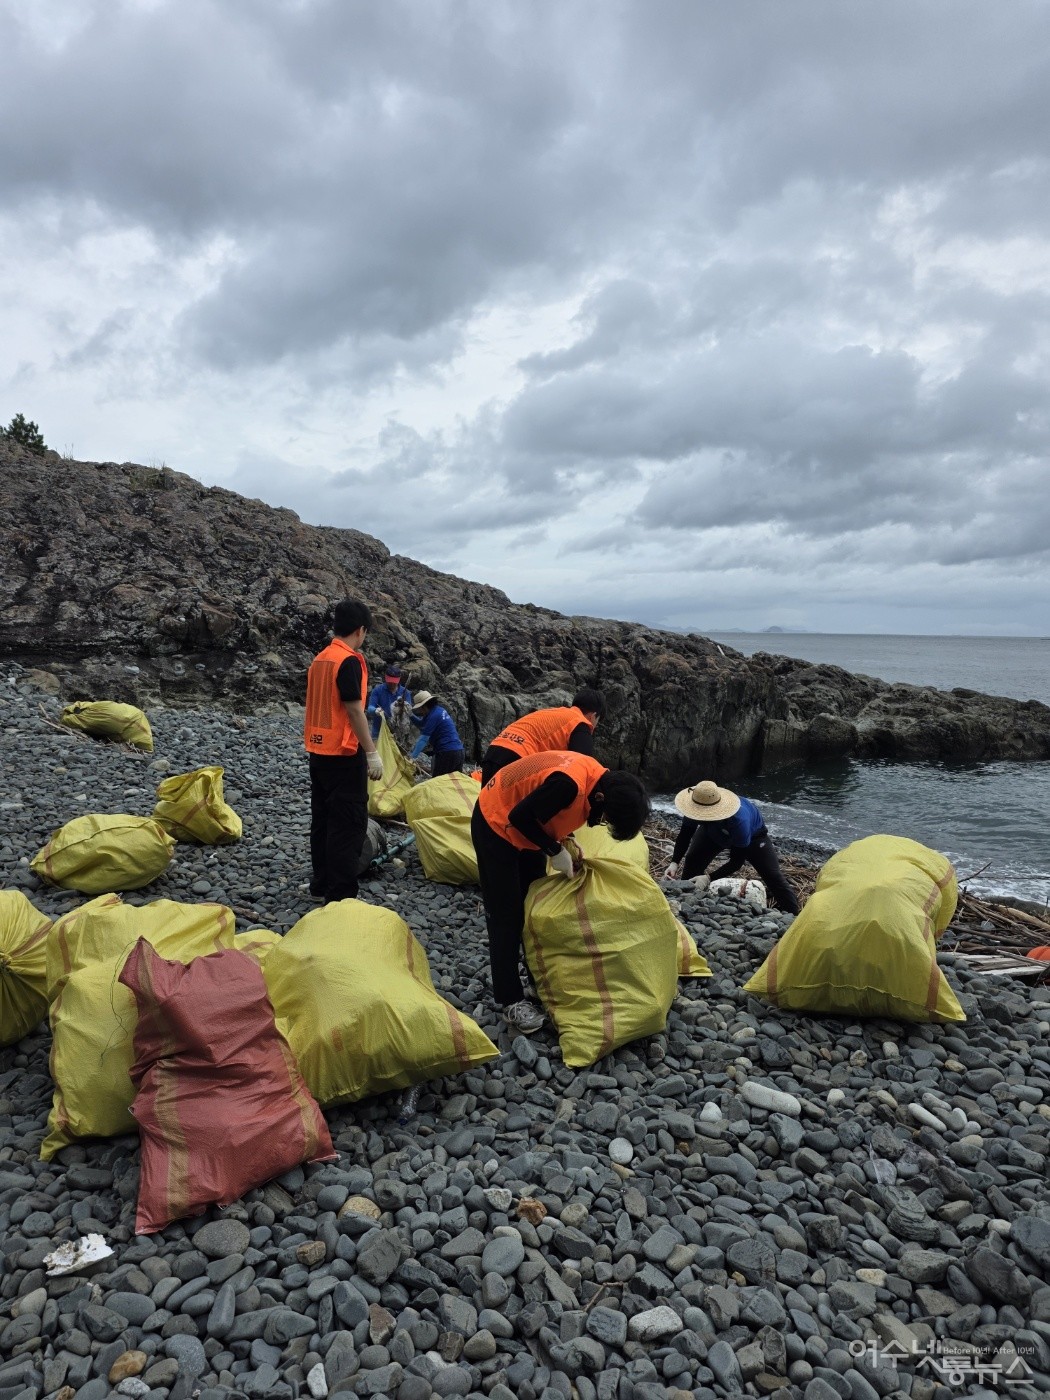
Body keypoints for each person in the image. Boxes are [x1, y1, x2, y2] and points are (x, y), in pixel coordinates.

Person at [471, 751, 650, 1033]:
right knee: (506, 917)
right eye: (604, 818)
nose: (599, 821)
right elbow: (520, 816)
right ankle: (510, 1001)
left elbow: (543, 807)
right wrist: (554, 850)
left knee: (533, 906)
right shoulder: (569, 785)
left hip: (523, 824)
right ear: (601, 798)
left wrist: (563, 839)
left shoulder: (597, 777)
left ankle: (535, 983)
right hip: (495, 822)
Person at [303, 598, 384, 903]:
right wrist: (372, 752)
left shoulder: (321, 658)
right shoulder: (348, 660)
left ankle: (321, 884)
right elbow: (353, 709)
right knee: (348, 825)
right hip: (344, 754)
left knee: (323, 821)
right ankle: (340, 895)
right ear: (361, 630)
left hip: (318, 751)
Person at [665, 779, 799, 914]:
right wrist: (674, 863)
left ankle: (794, 916)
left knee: (773, 876)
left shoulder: (739, 821)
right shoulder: (696, 806)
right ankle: (684, 902)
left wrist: (708, 878)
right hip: (712, 831)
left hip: (754, 837)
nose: (699, 817)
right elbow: (685, 835)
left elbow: (736, 862)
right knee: (693, 859)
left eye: (704, 815)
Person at [480, 688, 605, 784]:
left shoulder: (552, 712)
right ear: (593, 715)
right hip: (518, 758)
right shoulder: (580, 723)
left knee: (488, 807)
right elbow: (583, 765)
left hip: (494, 750)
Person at [409, 691, 465, 776]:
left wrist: (412, 757)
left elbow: (423, 739)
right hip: (459, 752)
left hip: (446, 753)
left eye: (419, 709)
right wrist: (410, 715)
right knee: (454, 783)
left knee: (438, 783)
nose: (420, 711)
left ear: (423, 707)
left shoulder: (433, 716)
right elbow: (421, 724)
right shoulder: (438, 711)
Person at [366, 664, 413, 739]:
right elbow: (370, 708)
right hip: (379, 732)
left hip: (398, 734)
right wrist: (375, 710)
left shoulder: (405, 692)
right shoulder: (378, 690)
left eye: (394, 682)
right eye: (390, 681)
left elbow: (409, 712)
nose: (392, 684)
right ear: (385, 678)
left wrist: (404, 707)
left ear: (399, 679)